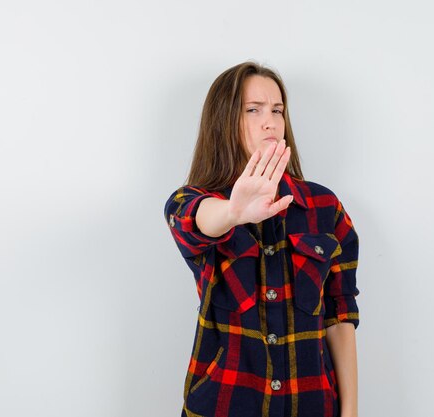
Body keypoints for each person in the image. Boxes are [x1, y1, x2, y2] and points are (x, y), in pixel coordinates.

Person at [163, 61, 360, 417]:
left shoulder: (324, 207)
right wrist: (233, 214)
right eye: (253, 110)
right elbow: (194, 221)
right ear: (223, 121)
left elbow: (339, 316)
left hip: (312, 406)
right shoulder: (192, 202)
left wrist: (350, 411)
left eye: (277, 110)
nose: (269, 121)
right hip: (224, 404)